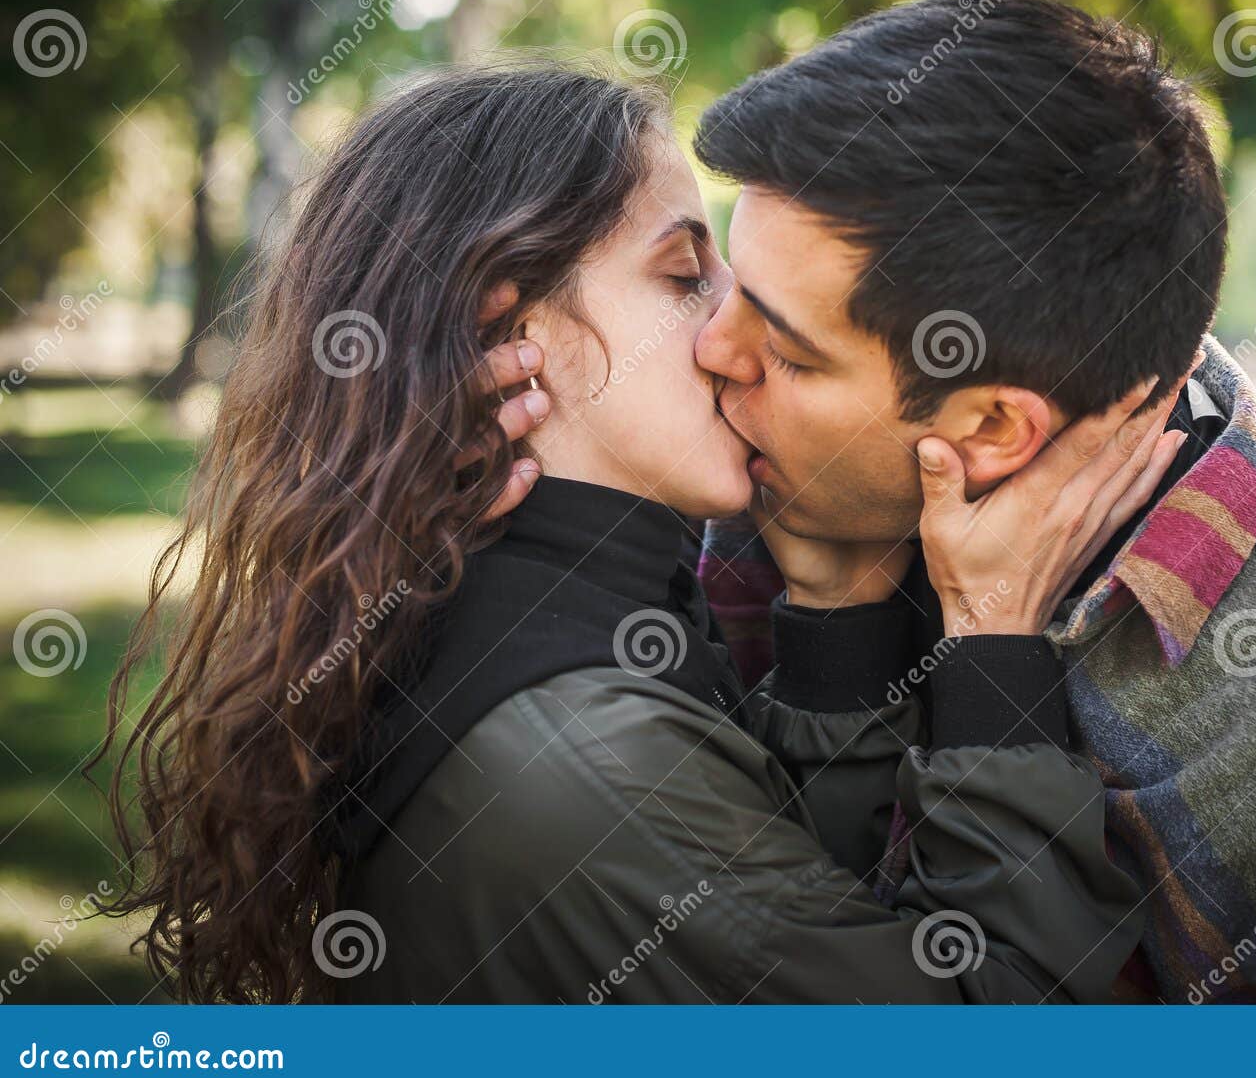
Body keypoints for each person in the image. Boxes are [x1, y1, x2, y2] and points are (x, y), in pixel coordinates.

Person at [97, 63, 1180, 1004]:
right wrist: (993, 645)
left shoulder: (501, 595)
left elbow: (788, 921)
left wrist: (840, 615)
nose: (729, 329)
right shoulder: (582, 759)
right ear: (514, 327)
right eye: (682, 275)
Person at [691, 0, 1256, 1003]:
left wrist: (983, 661)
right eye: (724, 286)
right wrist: (836, 619)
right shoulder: (790, 486)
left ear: (997, 430)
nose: (710, 349)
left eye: (785, 348)